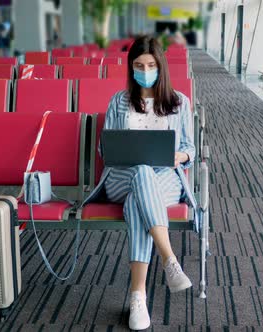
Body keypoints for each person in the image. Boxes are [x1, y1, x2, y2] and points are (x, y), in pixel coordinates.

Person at [81, 35, 196, 331]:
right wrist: (119, 151)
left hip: (166, 178)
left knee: (139, 202)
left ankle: (138, 296)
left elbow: (190, 150)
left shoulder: (179, 102)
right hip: (122, 177)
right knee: (141, 171)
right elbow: (105, 151)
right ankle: (169, 259)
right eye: (138, 65)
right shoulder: (118, 102)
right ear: (131, 67)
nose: (144, 69)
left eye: (150, 64)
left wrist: (178, 155)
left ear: (161, 66)